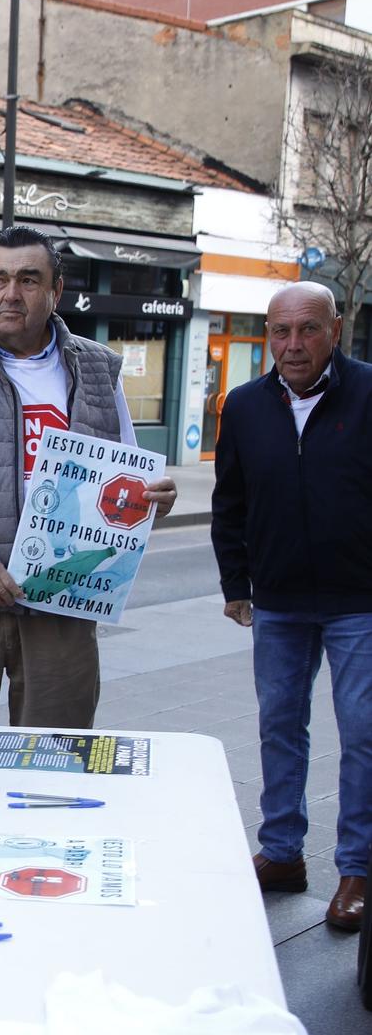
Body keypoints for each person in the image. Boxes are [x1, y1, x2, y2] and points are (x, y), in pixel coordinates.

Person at [0, 225, 177, 729]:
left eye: (28, 279)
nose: (11, 293)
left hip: (60, 606)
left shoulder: (98, 371)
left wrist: (152, 496)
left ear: (55, 291)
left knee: (55, 756)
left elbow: (125, 473)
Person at [211, 282, 372, 934]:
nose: (293, 344)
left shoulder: (366, 394)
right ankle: (281, 855)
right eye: (280, 331)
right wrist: (235, 583)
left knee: (361, 733)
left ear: (335, 329)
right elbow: (229, 502)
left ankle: (355, 869)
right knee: (279, 726)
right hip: (277, 601)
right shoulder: (245, 406)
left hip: (358, 601)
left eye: (307, 329)